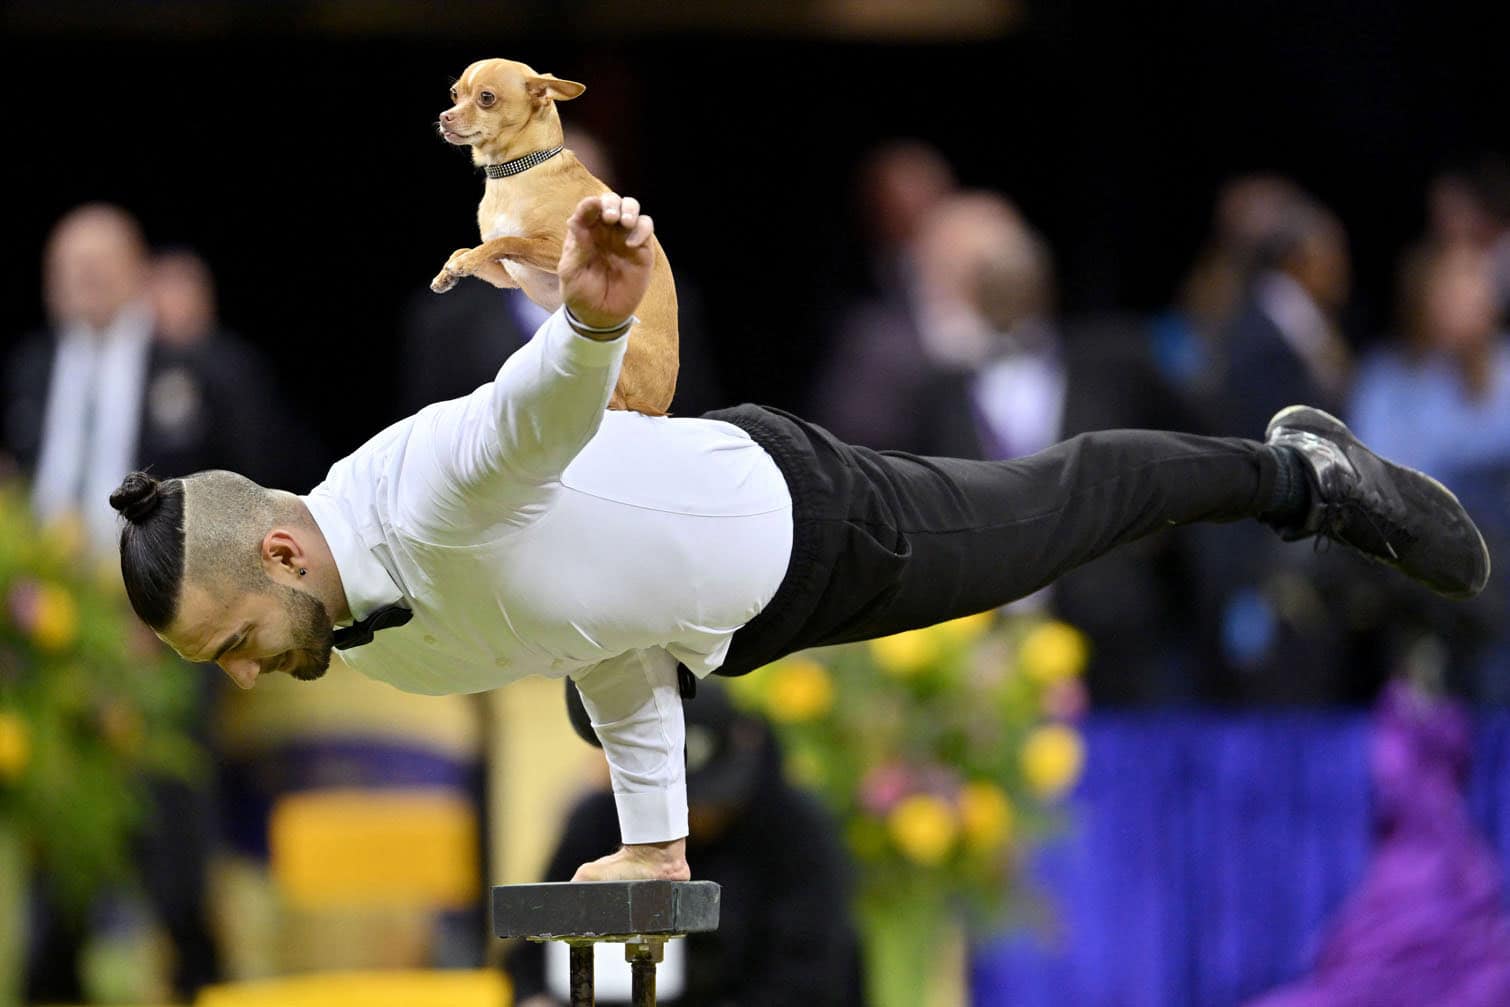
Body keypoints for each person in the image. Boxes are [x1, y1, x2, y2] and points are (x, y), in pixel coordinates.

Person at [108, 192, 1489, 884]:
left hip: (806, 511)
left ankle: (1292, 473)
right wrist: (652, 845)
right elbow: (603, 639)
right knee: (1049, 513)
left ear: (280, 552)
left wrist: (590, 318)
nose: (241, 673)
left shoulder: (414, 491)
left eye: (231, 641)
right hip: (750, 617)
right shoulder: (376, 640)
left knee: (1058, 505)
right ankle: (1288, 473)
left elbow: (522, 417)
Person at [508, 680, 863, 1006]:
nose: (690, 820)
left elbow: (814, 973)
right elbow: (531, 955)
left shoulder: (795, 830)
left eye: (705, 800)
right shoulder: (597, 819)